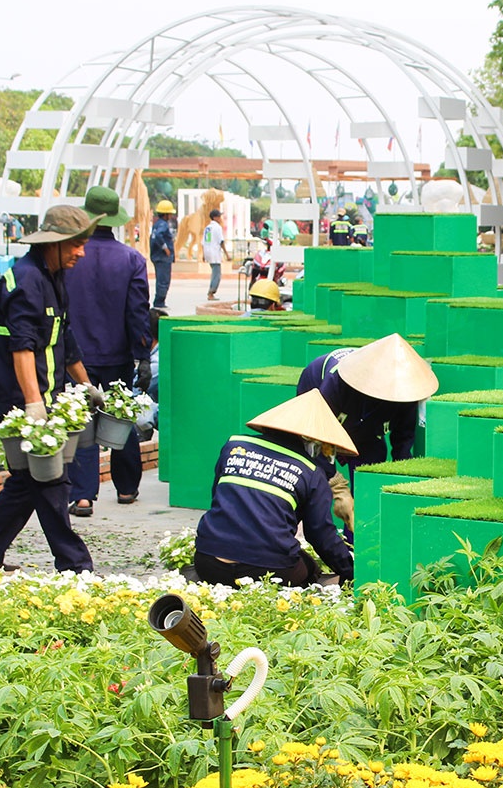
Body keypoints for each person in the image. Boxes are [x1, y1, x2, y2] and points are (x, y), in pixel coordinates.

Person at [0, 204, 106, 574]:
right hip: (19, 398)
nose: (82, 252)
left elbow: (64, 339)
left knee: (30, 479)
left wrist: (86, 385)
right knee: (51, 479)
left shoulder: (52, 275)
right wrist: (33, 404)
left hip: (41, 393)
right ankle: (75, 564)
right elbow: (22, 346)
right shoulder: (26, 280)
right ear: (53, 244)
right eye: (76, 244)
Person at [193, 389, 357, 587]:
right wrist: (351, 572)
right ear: (313, 441)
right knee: (309, 568)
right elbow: (321, 534)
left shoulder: (235, 446)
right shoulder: (312, 472)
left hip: (208, 562)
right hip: (267, 571)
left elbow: (219, 498)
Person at [66, 186, 154, 518]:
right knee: (120, 416)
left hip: (76, 356)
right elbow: (137, 312)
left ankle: (84, 496)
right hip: (117, 354)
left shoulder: (71, 256)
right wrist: (142, 355)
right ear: (115, 220)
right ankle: (127, 487)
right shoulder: (132, 259)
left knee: (81, 419)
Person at [297, 332, 437, 477]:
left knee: (373, 458)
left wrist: (403, 472)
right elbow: (318, 432)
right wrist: (336, 484)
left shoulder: (408, 392)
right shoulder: (336, 381)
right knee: (319, 464)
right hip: (321, 395)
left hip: (366, 419)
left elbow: (403, 437)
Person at [150, 199, 176, 310]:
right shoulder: (163, 225)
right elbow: (159, 237)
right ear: (165, 214)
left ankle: (159, 301)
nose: (171, 215)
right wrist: (166, 249)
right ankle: (159, 302)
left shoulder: (156, 224)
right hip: (163, 257)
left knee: (160, 279)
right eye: (170, 213)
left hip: (156, 257)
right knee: (164, 280)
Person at [202, 207, 226, 301]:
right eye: (219, 216)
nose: (220, 218)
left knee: (214, 272)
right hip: (214, 253)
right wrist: (227, 254)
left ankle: (211, 291)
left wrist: (204, 254)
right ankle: (211, 292)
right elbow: (221, 241)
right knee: (217, 274)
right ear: (215, 217)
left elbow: (203, 242)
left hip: (208, 252)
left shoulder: (207, 228)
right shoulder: (217, 227)